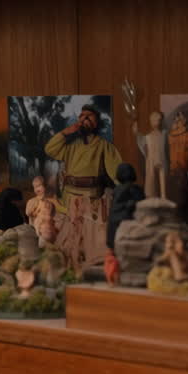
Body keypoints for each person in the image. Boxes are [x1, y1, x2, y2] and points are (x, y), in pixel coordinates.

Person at [45, 104, 123, 270]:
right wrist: (66, 132)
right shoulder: (71, 145)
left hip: (92, 199)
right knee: (69, 241)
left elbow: (117, 172)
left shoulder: (103, 146)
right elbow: (50, 149)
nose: (84, 118)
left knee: (89, 242)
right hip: (71, 198)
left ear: (97, 123)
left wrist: (125, 189)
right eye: (82, 116)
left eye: (89, 116)